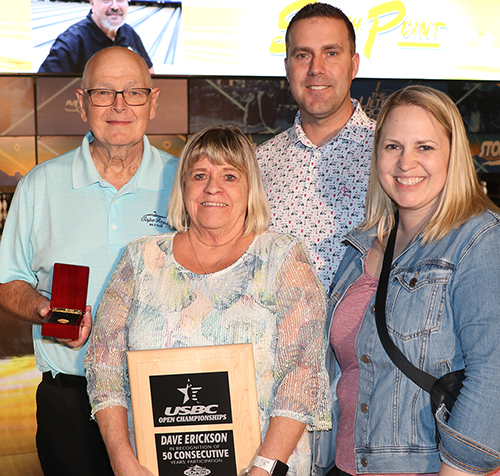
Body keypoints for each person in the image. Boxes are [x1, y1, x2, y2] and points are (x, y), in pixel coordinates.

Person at [318, 86, 500, 476]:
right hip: (355, 464)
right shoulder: (362, 245)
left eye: (425, 147)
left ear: (453, 155)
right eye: (393, 146)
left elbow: (496, 380)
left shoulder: (486, 242)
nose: (406, 162)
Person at [85, 125, 331, 476]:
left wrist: (264, 468)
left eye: (229, 176)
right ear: (183, 187)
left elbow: (302, 373)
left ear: (250, 188)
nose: (213, 187)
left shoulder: (282, 257)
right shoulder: (139, 259)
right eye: (200, 175)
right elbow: (103, 367)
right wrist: (121, 459)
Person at [0, 46, 176, 476]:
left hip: (162, 393)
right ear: (81, 102)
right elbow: (5, 281)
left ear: (153, 102)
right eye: (103, 93)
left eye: (133, 92)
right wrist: (45, 310)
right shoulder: (40, 185)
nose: (119, 106)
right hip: (71, 398)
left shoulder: (184, 181)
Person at [256, 2, 374, 290]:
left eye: (331, 53)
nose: (316, 69)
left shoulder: (391, 154)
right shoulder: (259, 162)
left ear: (354, 65)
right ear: (287, 68)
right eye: (303, 55)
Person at [39, 0, 154, 74]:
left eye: (120, 0)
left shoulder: (128, 32)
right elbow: (43, 88)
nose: (115, 6)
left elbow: (150, 74)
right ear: (92, 3)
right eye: (106, 0)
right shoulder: (72, 41)